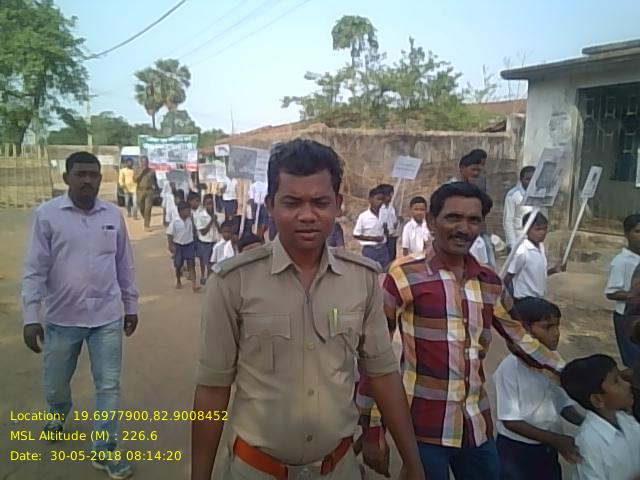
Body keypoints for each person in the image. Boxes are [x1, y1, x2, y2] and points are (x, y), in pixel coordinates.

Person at [191, 138, 424, 480]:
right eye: (292, 202)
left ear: (338, 205)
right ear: (270, 205)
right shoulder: (232, 283)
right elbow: (212, 390)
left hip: (339, 469)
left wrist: (414, 465)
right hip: (256, 470)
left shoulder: (361, 280)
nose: (307, 215)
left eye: (319, 202)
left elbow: (383, 376)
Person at [357, 181, 564, 480]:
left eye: (473, 220)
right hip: (423, 427)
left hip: (476, 426)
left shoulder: (490, 282)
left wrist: (574, 375)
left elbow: (522, 341)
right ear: (432, 221)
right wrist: (372, 428)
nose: (464, 229)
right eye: (453, 218)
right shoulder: (403, 276)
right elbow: (374, 356)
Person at [21, 151, 138, 479]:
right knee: (56, 383)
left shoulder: (113, 215)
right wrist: (31, 316)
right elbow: (34, 268)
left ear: (101, 179)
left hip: (107, 317)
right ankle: (58, 412)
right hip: (62, 318)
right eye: (80, 174)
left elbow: (124, 263)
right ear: (66, 178)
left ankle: (104, 448)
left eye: (93, 174)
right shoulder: (47, 216)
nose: (87, 180)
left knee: (109, 386)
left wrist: (131, 306)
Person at [494, 297, 583, 480]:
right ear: (524, 331)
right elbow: (511, 421)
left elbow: (562, 402)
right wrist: (556, 440)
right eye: (547, 327)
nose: (556, 333)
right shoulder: (510, 368)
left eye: (557, 326)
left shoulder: (553, 361)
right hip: (517, 450)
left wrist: (586, 422)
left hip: (547, 447)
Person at [561, 354, 640, 480]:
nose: (627, 384)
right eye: (616, 381)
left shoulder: (625, 419)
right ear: (598, 400)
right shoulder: (590, 442)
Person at [605, 214, 640, 368]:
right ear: (626, 234)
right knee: (634, 362)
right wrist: (630, 295)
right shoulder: (621, 262)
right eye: (637, 232)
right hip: (627, 318)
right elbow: (611, 292)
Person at [504, 212, 565, 300]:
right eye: (538, 229)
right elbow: (508, 277)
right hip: (524, 299)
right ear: (527, 230)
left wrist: (554, 270)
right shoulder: (522, 251)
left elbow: (536, 275)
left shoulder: (541, 247)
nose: (542, 232)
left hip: (538, 297)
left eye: (544, 229)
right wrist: (505, 298)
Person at [353, 187, 390, 270]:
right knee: (369, 272)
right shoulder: (363, 216)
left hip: (383, 250)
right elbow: (356, 234)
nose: (380, 202)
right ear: (370, 199)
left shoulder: (385, 214)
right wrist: (373, 238)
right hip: (370, 250)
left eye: (382, 200)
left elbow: (387, 232)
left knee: (385, 272)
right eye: (378, 199)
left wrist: (386, 230)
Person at [167, 201, 199, 292]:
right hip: (179, 245)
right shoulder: (175, 221)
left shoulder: (190, 220)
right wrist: (170, 245)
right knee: (178, 264)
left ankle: (194, 284)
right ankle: (178, 280)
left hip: (189, 244)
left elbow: (194, 231)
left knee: (191, 264)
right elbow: (169, 234)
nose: (188, 212)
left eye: (189, 210)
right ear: (180, 211)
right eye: (186, 210)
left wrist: (192, 220)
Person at [503, 166, 535, 252]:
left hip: (533, 241)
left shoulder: (538, 194)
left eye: (533, 179)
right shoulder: (513, 195)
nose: (530, 183)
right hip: (518, 241)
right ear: (521, 179)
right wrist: (513, 245)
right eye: (527, 179)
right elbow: (508, 221)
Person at [194, 194, 219, 284]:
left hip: (214, 242)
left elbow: (220, 230)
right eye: (208, 203)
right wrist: (212, 220)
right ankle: (207, 279)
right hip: (204, 243)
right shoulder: (201, 216)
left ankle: (209, 280)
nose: (210, 206)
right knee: (207, 263)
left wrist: (216, 221)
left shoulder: (216, 214)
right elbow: (203, 232)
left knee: (213, 263)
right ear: (204, 204)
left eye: (212, 203)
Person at [135, 155, 158, 231]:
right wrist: (141, 172)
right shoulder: (137, 170)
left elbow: (155, 181)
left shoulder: (152, 171)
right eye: (143, 162)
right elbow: (135, 180)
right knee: (141, 207)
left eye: (146, 162)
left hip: (149, 191)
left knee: (148, 208)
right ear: (140, 162)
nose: (144, 163)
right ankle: (145, 217)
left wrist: (157, 190)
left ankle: (146, 225)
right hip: (140, 191)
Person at [378, 183, 399, 262]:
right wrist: (383, 228)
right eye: (388, 195)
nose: (390, 197)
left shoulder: (391, 208)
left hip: (391, 237)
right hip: (383, 238)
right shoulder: (379, 209)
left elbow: (393, 222)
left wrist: (396, 223)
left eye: (391, 195)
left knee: (391, 259)